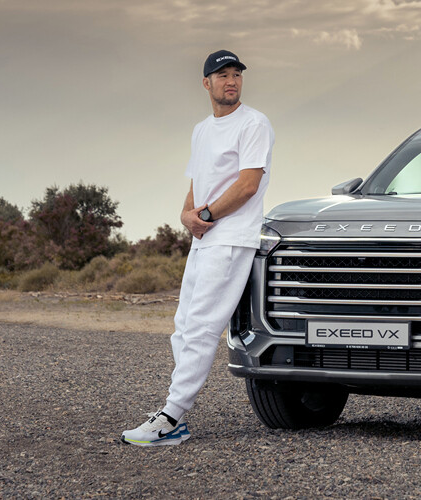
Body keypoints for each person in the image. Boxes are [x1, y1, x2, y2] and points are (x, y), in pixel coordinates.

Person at [122, 49, 274, 446]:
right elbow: (197, 180)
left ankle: (171, 416)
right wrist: (186, 214)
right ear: (206, 83)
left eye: (236, 74)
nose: (231, 81)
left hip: (231, 238)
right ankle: (176, 409)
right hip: (204, 238)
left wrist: (204, 215)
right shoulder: (202, 129)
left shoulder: (254, 123)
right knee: (184, 327)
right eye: (222, 75)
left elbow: (247, 185)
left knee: (203, 327)